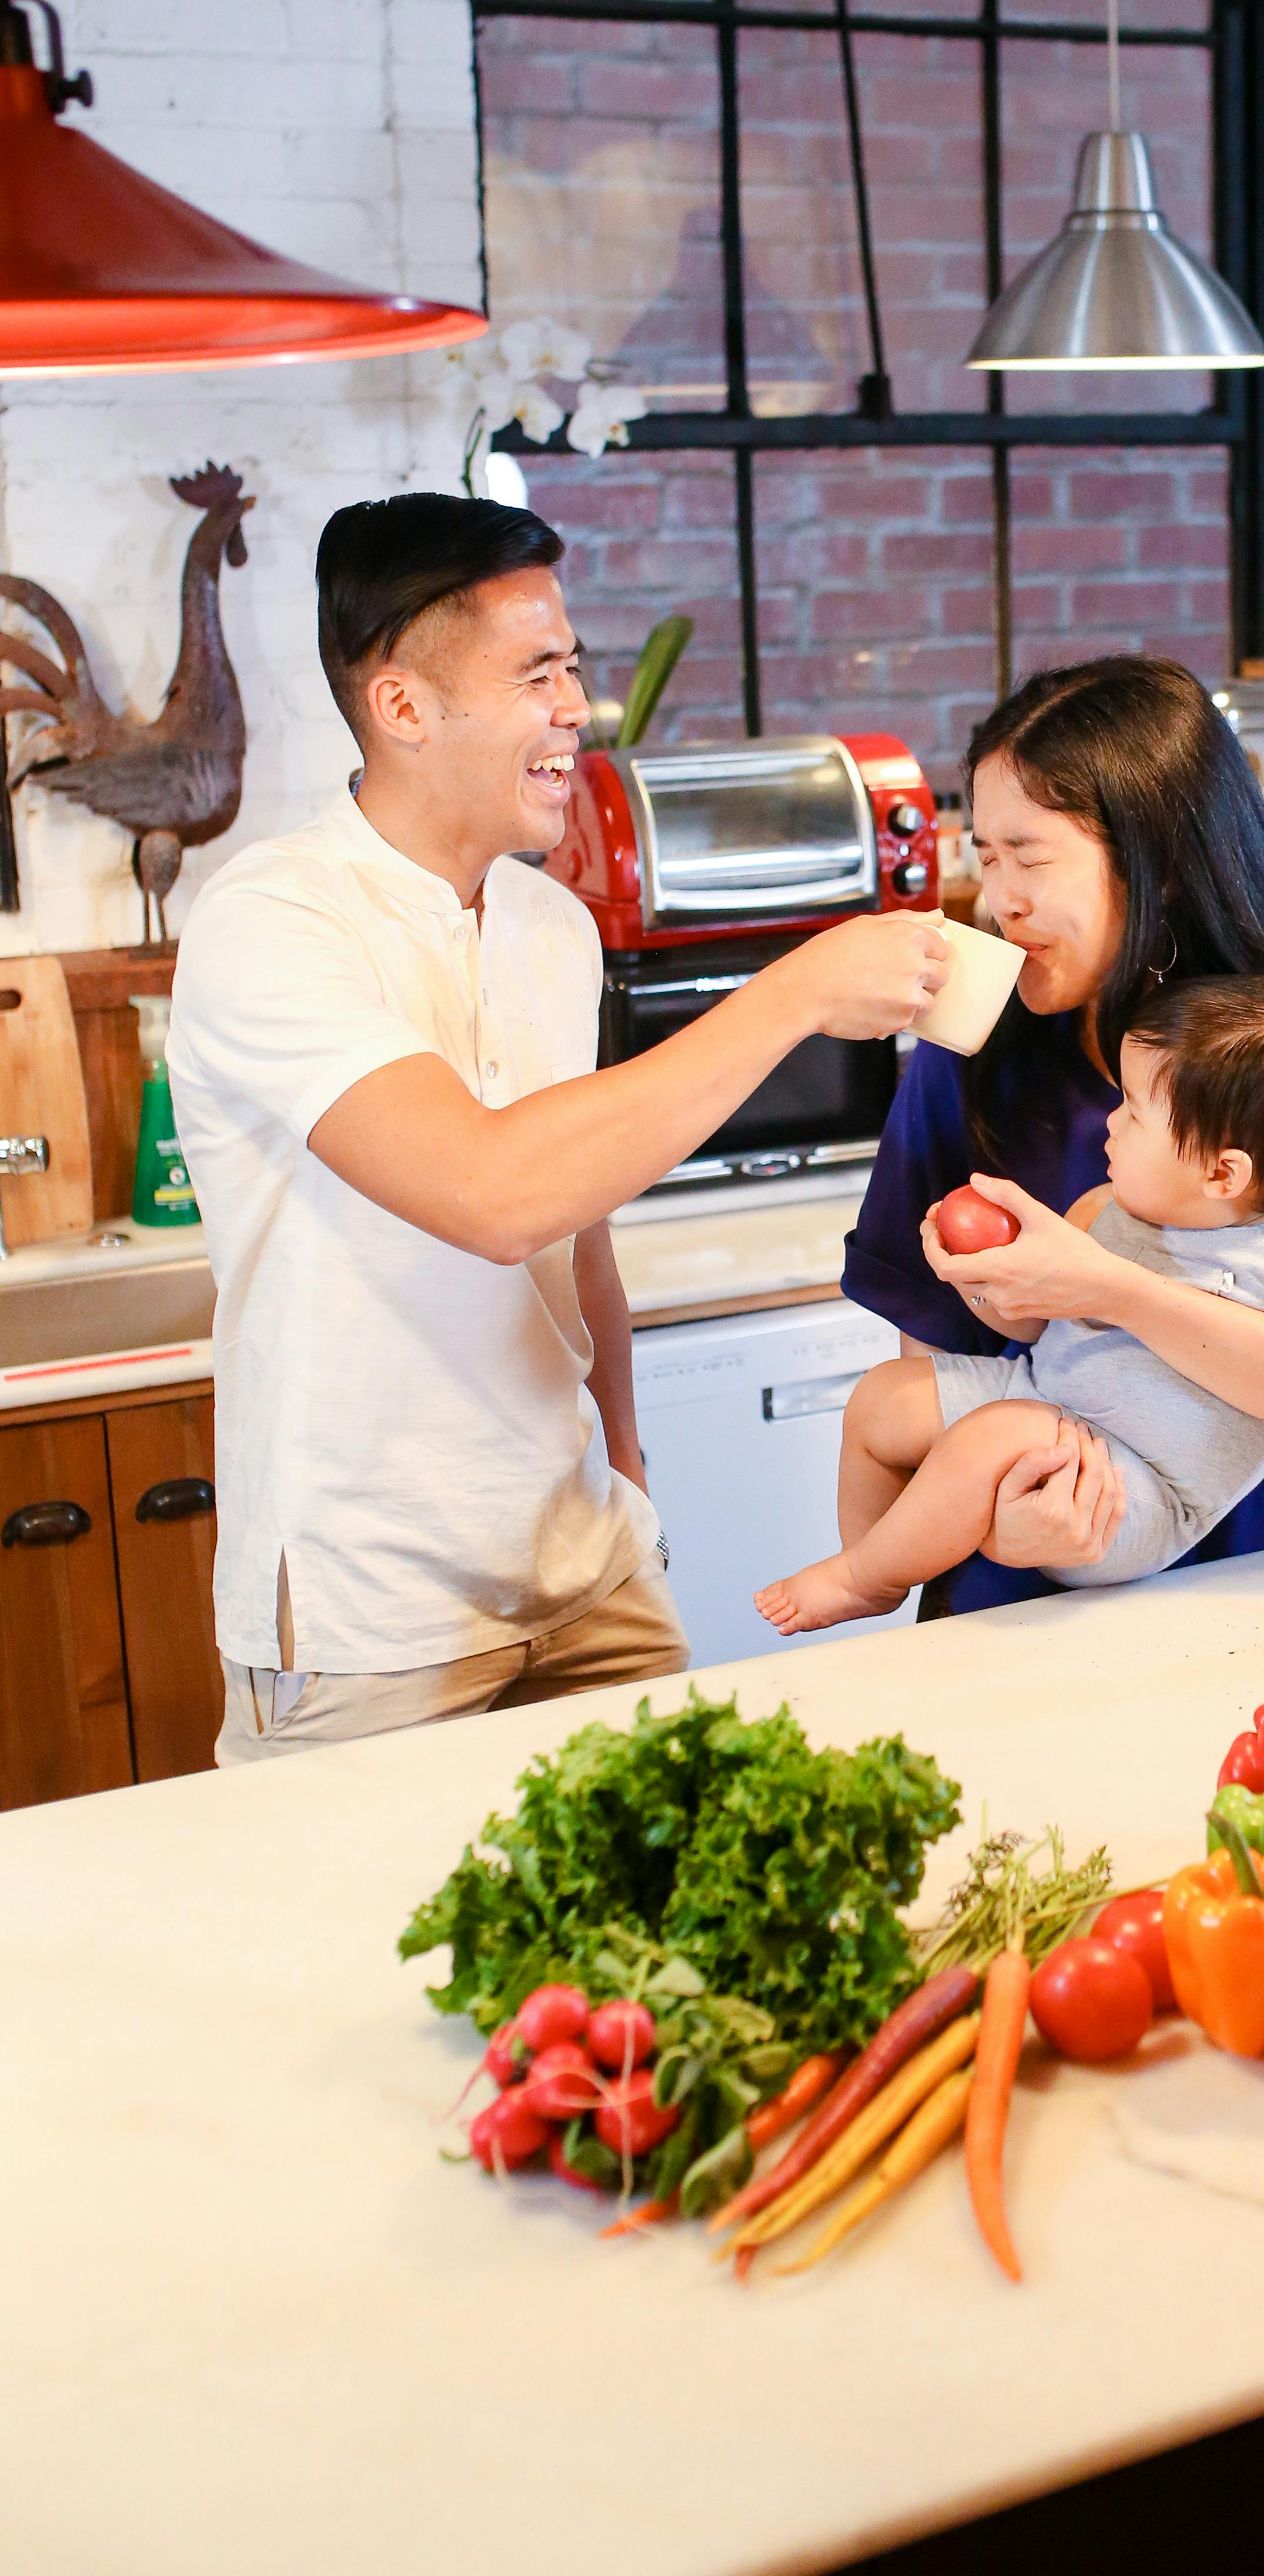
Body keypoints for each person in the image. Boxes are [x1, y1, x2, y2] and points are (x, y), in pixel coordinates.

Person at [170, 494, 947, 1761]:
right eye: (537, 675)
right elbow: (492, 1197)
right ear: (404, 707)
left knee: (647, 1957)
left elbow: (581, 1244)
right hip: (373, 1623)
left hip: (590, 1579)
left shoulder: (552, 927)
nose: (575, 709)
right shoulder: (272, 923)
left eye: (574, 668)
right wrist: (794, 992)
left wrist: (627, 1482)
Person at [840, 655, 1264, 1612]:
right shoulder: (967, 1054)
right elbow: (921, 1383)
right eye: (984, 856)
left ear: (1160, 861)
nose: (995, 898)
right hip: (1017, 1616)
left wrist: (1109, 1288)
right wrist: (995, 1516)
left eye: (1029, 855)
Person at [757, 977, 1264, 1636]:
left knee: (995, 1434)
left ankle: (859, 1575)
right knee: (883, 1398)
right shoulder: (1110, 1207)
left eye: (1135, 1111)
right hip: (1045, 1398)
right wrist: (985, 1281)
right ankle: (882, 1573)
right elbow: (1036, 1322)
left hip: (1141, 1492)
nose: (1111, 1124)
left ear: (1223, 1171)